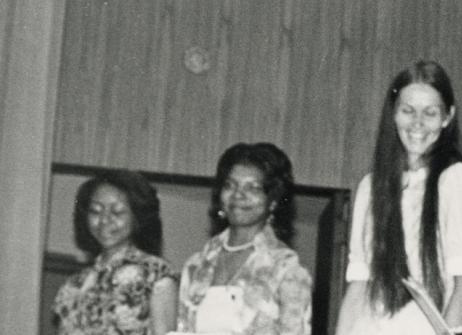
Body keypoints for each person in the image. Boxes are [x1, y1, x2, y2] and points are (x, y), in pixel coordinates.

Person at [335, 60, 462, 334]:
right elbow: (358, 287)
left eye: (430, 113)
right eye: (408, 111)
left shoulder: (458, 179)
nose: (417, 123)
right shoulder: (370, 187)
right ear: (393, 114)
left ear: (447, 117)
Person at [176, 143, 312, 334]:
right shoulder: (196, 266)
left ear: (272, 201)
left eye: (253, 188)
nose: (238, 195)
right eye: (230, 185)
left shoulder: (287, 268)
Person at [54, 169, 178, 335]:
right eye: (96, 211)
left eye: (117, 212)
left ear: (137, 217)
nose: (104, 220)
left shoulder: (155, 275)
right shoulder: (74, 285)